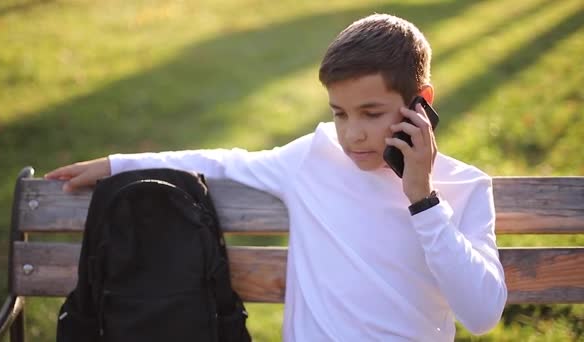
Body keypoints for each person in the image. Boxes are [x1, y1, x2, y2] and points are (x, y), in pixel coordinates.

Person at [45, 13, 507, 341]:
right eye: (340, 114)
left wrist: (423, 200)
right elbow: (224, 160)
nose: (352, 134)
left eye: (371, 112)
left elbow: (482, 315)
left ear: (421, 100)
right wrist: (117, 164)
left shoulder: (465, 187)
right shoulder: (312, 157)